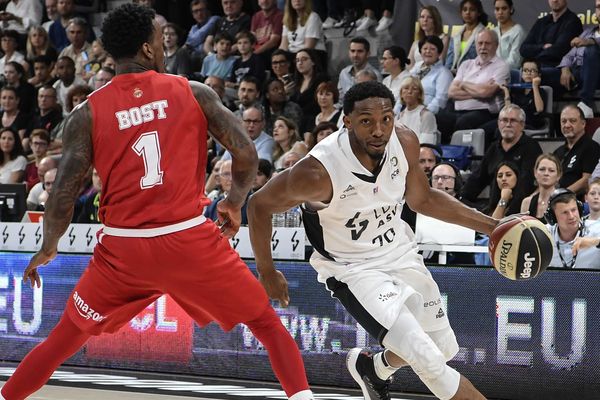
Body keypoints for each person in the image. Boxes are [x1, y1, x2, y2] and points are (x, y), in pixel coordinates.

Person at [0, 5, 315, 400]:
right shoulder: (193, 91)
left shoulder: (87, 113)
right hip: (187, 239)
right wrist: (234, 201)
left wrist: (48, 246)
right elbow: (246, 152)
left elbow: (63, 191)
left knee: (64, 339)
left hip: (123, 250)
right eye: (159, 38)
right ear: (148, 50)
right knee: (267, 325)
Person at [247, 81, 496, 400]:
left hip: (400, 253)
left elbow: (422, 199)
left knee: (442, 348)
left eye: (386, 119)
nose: (379, 130)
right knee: (429, 361)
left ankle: (373, 369)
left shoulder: (404, 141)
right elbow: (259, 205)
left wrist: (492, 226)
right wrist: (266, 272)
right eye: (366, 121)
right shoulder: (317, 172)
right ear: (346, 121)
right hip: (354, 270)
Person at [461, 104, 542, 208]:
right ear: (499, 123)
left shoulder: (531, 148)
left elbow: (525, 185)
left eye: (513, 121)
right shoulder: (493, 148)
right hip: (493, 207)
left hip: (520, 209)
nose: (508, 124)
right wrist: (461, 199)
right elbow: (478, 179)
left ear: (522, 125)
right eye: (504, 120)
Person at [447, 29, 510, 146]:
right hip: (458, 111)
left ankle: (459, 159)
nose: (483, 47)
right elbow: (451, 92)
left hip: (485, 112)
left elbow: (487, 93)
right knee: (439, 118)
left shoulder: (501, 66)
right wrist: (479, 90)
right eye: (480, 43)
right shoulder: (466, 64)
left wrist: (463, 84)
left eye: (487, 43)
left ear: (496, 45)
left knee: (464, 122)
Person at [519, 0, 582, 84]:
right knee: (518, 73)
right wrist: (542, 47)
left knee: (534, 75)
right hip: (536, 66)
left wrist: (535, 56)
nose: (555, 0)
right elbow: (523, 49)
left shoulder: (573, 21)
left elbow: (558, 51)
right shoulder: (541, 22)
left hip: (558, 68)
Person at [557, 0, 600, 111]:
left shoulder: (588, 39)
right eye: (598, 7)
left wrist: (591, 41)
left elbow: (592, 47)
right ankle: (533, 117)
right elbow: (568, 56)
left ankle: (585, 104)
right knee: (542, 74)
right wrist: (565, 69)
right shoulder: (587, 32)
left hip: (596, 75)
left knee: (591, 51)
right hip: (577, 74)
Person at [546, 188, 600, 269]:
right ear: (553, 217)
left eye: (574, 210)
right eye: (565, 212)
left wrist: (595, 242)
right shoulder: (544, 234)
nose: (571, 216)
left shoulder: (596, 228)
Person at [553, 104, 600, 196]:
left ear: (583, 124)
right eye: (563, 121)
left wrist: (560, 195)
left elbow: (587, 181)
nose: (567, 125)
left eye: (572, 121)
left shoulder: (591, 147)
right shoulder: (558, 151)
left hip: (576, 201)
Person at [410, 36, 453, 116]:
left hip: (428, 113)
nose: (428, 51)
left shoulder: (444, 73)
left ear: (439, 53)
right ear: (420, 51)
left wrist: (424, 113)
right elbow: (404, 89)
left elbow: (440, 100)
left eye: (432, 49)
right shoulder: (415, 68)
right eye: (425, 48)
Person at [500, 58, 547, 130]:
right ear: (521, 74)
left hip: (531, 124)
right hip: (514, 122)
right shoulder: (517, 90)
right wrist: (506, 92)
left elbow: (539, 109)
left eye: (532, 71)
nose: (528, 73)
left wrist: (535, 86)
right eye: (525, 70)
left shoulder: (541, 91)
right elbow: (508, 110)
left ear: (539, 74)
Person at [445, 0, 487, 73]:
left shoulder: (485, 34)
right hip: (453, 76)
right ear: (461, 13)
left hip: (474, 75)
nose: (468, 12)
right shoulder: (456, 35)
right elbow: (449, 61)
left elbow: (484, 60)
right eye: (465, 10)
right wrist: (446, 74)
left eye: (472, 10)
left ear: (479, 13)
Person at [338, 37, 382, 105]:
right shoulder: (344, 73)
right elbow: (341, 100)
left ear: (368, 54)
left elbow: (377, 101)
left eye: (360, 51)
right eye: (352, 51)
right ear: (349, 53)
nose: (355, 55)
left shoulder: (375, 74)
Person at [396, 76, 437, 144]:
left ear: (419, 94)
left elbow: (426, 143)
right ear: (401, 94)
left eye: (414, 89)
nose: (409, 91)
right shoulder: (398, 117)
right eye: (406, 88)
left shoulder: (426, 115)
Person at [521, 153, 562, 220]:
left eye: (551, 171)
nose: (546, 173)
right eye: (542, 169)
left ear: (558, 176)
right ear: (535, 172)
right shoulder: (527, 202)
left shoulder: (563, 201)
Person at [492, 0, 525, 70]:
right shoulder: (493, 32)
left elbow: (514, 62)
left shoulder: (518, 31)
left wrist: (495, 69)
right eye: (497, 9)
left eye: (504, 8)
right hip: (491, 72)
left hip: (511, 74)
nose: (500, 12)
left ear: (511, 9)